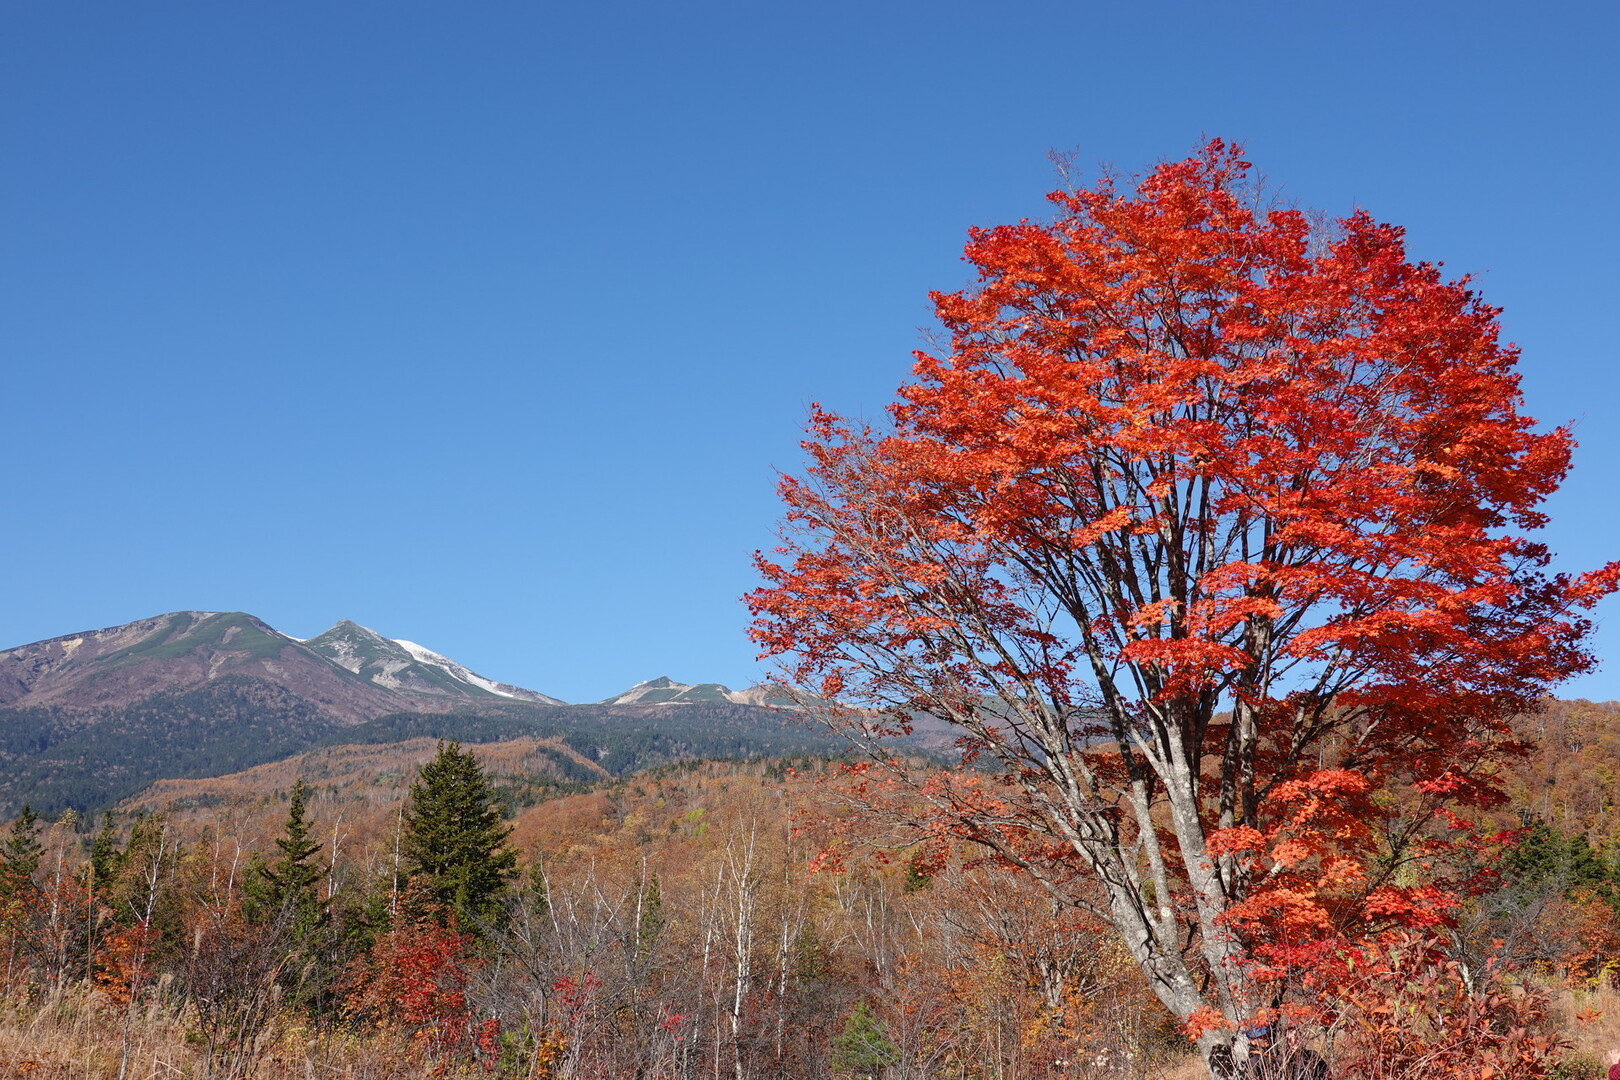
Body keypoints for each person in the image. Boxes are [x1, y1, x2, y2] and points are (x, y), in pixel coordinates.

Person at [1246, 1026, 1330, 1080]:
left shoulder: (1312, 1055)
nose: (1296, 1040)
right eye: (1292, 1037)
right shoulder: (1282, 1060)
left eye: (1297, 1036)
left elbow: (1327, 1075)